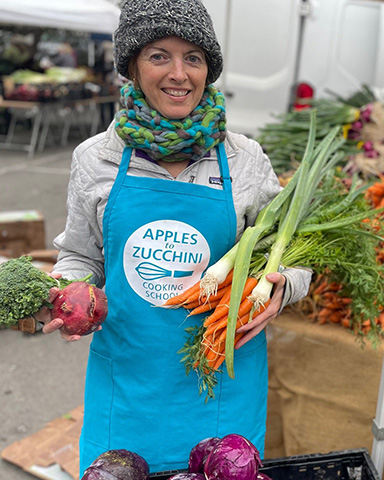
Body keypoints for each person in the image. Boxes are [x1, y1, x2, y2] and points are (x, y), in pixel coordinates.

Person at [31, 0, 311, 473]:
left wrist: (283, 286)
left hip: (222, 388)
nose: (179, 73)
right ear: (132, 68)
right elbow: (80, 253)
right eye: (159, 55)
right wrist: (66, 292)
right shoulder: (96, 157)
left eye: (194, 58)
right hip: (128, 387)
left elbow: (296, 256)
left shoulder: (245, 159)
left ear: (209, 69)